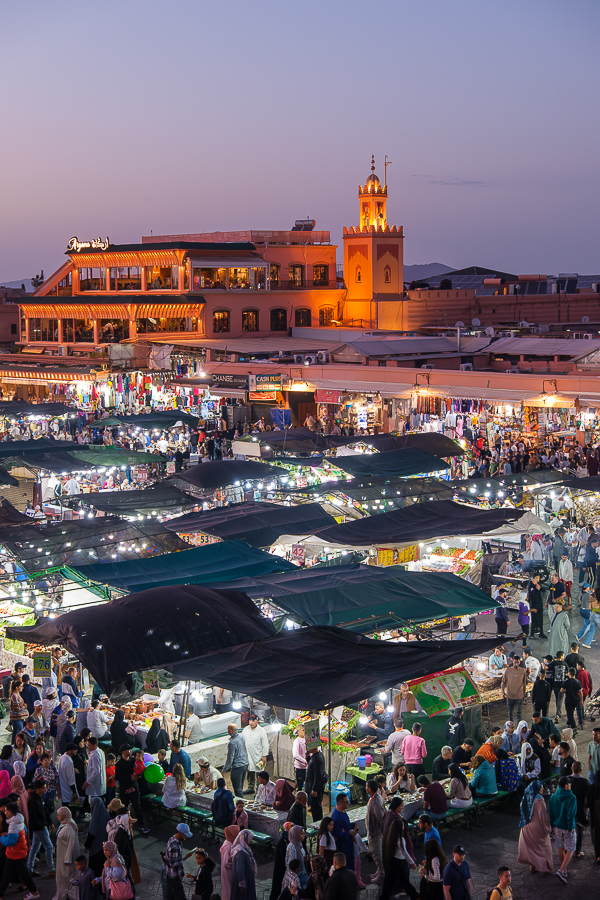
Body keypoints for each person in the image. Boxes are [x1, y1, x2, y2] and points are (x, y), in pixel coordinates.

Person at [0, 800, 39, 900]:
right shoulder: (19, 820)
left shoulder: (13, 825)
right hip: (16, 853)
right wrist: (8, 835)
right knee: (7, 875)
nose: (5, 813)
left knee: (24, 876)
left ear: (11, 812)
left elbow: (10, 842)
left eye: (6, 811)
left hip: (16, 854)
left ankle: (34, 892)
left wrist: (2, 838)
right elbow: (24, 832)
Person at [517, 779, 553, 872]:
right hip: (536, 827)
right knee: (545, 845)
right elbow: (543, 816)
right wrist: (547, 829)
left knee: (531, 848)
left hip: (526, 827)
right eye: (541, 788)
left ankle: (533, 865)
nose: (542, 790)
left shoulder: (526, 797)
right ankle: (546, 866)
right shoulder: (539, 800)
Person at [380, 816, 418, 900]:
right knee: (401, 881)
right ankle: (415, 896)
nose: (404, 827)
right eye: (403, 826)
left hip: (393, 861)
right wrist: (412, 862)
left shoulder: (391, 837)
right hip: (399, 863)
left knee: (393, 882)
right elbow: (405, 852)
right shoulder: (401, 840)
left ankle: (414, 895)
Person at [549, 775, 577, 882]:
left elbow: (551, 813)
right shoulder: (572, 798)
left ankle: (564, 870)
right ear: (566, 785)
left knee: (561, 848)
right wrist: (570, 827)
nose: (570, 785)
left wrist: (552, 826)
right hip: (567, 827)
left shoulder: (553, 797)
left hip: (557, 826)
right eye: (569, 783)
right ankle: (561, 870)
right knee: (570, 849)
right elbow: (571, 814)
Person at [115, 745, 149, 835]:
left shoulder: (133, 760)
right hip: (125, 788)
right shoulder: (119, 764)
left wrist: (137, 777)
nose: (130, 751)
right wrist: (130, 778)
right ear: (123, 752)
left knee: (137, 806)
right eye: (128, 750)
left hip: (134, 787)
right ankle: (123, 826)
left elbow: (140, 771)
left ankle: (141, 825)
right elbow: (118, 777)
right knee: (124, 808)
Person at [26, 779, 55, 876]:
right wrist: (42, 826)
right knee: (49, 847)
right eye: (43, 788)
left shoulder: (40, 797)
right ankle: (51, 868)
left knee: (34, 848)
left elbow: (45, 812)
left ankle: (29, 868)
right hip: (39, 828)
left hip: (42, 826)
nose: (45, 790)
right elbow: (33, 818)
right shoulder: (33, 801)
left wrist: (50, 823)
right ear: (37, 789)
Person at [54, 806, 81, 900]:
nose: (57, 816)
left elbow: (71, 845)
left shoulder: (68, 828)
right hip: (62, 854)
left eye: (59, 815)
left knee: (65, 877)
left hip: (65, 858)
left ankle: (64, 895)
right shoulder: (67, 823)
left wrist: (67, 859)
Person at [163, 822, 193, 900]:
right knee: (181, 897)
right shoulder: (175, 846)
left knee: (170, 896)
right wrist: (186, 857)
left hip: (170, 876)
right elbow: (173, 864)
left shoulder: (172, 839)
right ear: (179, 833)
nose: (186, 837)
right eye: (185, 835)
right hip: (174, 877)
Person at [241, 715, 269, 795]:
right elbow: (242, 741)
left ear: (257, 721)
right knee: (250, 772)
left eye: (253, 721)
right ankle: (250, 788)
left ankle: (259, 791)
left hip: (258, 756)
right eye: (250, 720)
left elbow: (265, 744)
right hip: (248, 755)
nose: (251, 723)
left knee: (259, 774)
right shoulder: (246, 729)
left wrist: (264, 756)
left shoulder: (261, 731)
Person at [84, 795, 110, 876]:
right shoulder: (106, 815)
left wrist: (86, 846)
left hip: (96, 847)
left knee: (95, 869)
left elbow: (92, 833)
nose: (91, 806)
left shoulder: (95, 818)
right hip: (104, 846)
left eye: (92, 804)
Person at [365, 779, 385, 884]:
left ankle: (382, 874)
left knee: (377, 854)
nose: (366, 788)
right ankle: (379, 870)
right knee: (376, 853)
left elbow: (381, 819)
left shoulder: (376, 802)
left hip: (375, 833)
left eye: (366, 786)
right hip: (373, 832)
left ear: (370, 788)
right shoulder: (374, 798)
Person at [222, 724, 249, 798]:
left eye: (228, 729)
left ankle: (240, 805)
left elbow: (230, 758)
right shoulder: (241, 737)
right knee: (240, 786)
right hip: (244, 764)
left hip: (237, 767)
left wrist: (224, 770)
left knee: (237, 789)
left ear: (231, 731)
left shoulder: (232, 743)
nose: (227, 730)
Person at [330, 793, 355, 872]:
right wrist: (348, 833)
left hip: (348, 843)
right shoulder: (336, 816)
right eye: (346, 802)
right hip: (343, 846)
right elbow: (337, 833)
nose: (348, 803)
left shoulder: (342, 810)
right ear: (340, 803)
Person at [230, 829, 257, 900]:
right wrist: (242, 885)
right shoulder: (240, 852)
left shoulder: (244, 849)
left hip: (246, 878)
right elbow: (240, 869)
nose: (251, 840)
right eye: (250, 839)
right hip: (243, 880)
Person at [570, 761, 588, 859]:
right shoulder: (585, 782)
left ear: (571, 769)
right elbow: (587, 797)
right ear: (581, 770)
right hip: (580, 809)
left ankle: (566, 850)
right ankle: (577, 851)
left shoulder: (567, 780)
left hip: (568, 810)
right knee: (579, 830)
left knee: (567, 830)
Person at [501, 656, 527, 723]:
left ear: (519, 662)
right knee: (510, 713)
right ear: (513, 662)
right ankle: (511, 728)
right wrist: (503, 692)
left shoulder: (522, 671)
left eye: (518, 662)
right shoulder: (508, 670)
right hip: (510, 696)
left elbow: (524, 683)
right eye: (515, 662)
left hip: (519, 696)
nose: (516, 664)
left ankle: (518, 729)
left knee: (518, 714)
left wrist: (524, 693)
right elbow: (503, 682)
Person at [305, 746, 326, 822]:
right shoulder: (315, 756)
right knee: (314, 807)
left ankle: (318, 824)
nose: (307, 748)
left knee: (316, 808)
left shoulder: (317, 758)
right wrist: (307, 756)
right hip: (313, 786)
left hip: (316, 788)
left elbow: (318, 775)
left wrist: (314, 789)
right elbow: (311, 765)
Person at [57, 743, 79, 813]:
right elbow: (71, 781)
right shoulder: (69, 762)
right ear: (69, 751)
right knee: (72, 814)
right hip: (69, 793)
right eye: (74, 750)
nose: (76, 751)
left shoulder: (62, 757)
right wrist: (75, 793)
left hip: (63, 792)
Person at [220, 824, 239, 900]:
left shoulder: (229, 842)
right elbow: (226, 863)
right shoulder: (228, 846)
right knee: (229, 889)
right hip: (228, 872)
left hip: (228, 871)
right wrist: (236, 864)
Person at [284, 825, 307, 889]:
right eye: (302, 834)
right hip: (293, 877)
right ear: (295, 834)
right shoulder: (291, 847)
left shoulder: (299, 843)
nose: (304, 835)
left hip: (300, 873)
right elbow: (291, 864)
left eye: (304, 833)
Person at [562, 667, 583, 733]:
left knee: (570, 713)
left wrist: (566, 691)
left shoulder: (566, 681)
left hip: (568, 699)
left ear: (569, 673)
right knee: (571, 711)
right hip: (575, 700)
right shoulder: (577, 682)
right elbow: (580, 692)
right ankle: (569, 723)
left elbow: (561, 690)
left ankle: (574, 727)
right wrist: (581, 701)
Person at [586, 769, 600, 863]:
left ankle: (598, 856)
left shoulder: (591, 788)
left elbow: (586, 803)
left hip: (595, 818)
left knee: (596, 837)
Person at [527, 574, 546, 639]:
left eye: (539, 578)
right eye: (536, 578)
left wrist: (540, 588)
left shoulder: (538, 584)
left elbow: (543, 590)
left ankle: (541, 632)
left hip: (539, 603)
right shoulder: (531, 586)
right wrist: (537, 589)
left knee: (541, 618)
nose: (538, 579)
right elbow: (533, 595)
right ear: (533, 578)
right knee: (534, 619)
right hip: (534, 604)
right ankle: (531, 634)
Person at [292, 726, 307, 791]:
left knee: (308, 786)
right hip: (299, 768)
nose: (304, 731)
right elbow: (295, 755)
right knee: (299, 787)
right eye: (303, 730)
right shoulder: (297, 741)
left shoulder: (307, 739)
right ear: (298, 732)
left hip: (307, 767)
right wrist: (305, 761)